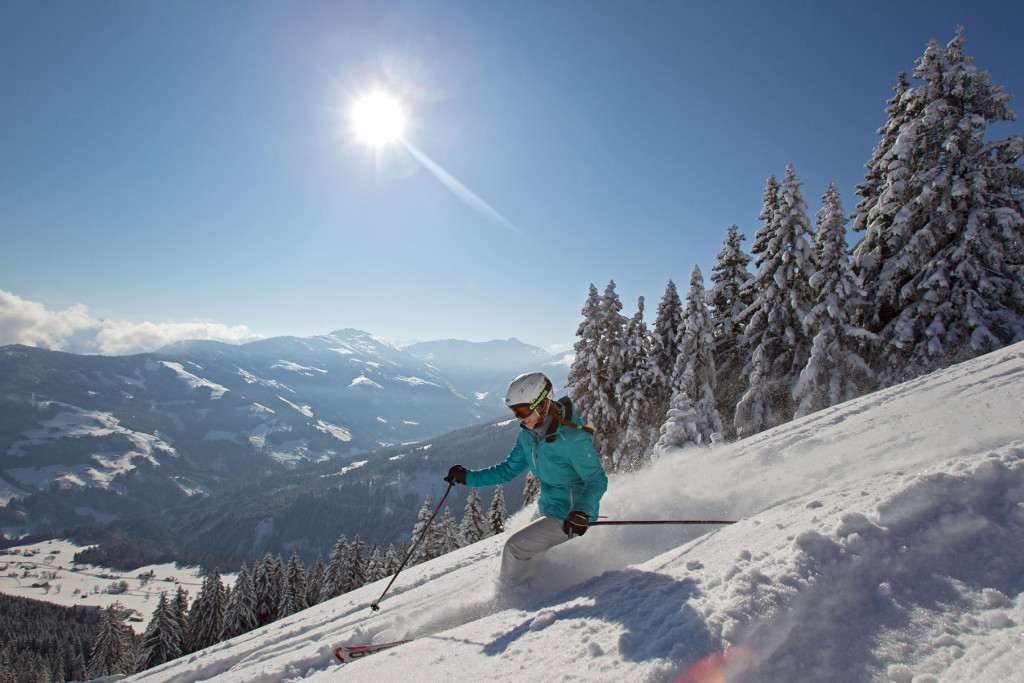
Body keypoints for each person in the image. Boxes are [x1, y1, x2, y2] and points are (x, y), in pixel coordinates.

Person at [445, 372, 608, 585]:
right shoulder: (528, 434)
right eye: (515, 412)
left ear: (542, 403)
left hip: (571, 516)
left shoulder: (572, 437)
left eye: (522, 410)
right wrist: (467, 478)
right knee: (530, 554)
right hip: (548, 506)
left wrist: (581, 511)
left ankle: (511, 597)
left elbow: (596, 479)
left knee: (515, 548)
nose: (519, 418)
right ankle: (534, 589)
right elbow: (507, 470)